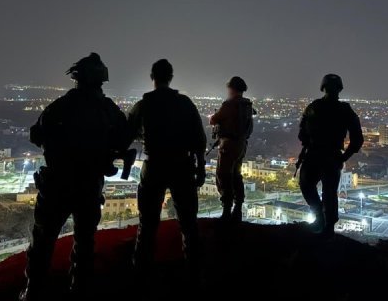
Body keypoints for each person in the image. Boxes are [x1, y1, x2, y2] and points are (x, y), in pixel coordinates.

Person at [21, 54, 130, 300]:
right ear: (101, 80)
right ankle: (80, 288)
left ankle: (33, 290)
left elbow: (36, 135)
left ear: (77, 78)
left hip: (57, 184)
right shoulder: (108, 109)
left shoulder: (61, 106)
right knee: (85, 243)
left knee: (43, 241)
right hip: (88, 186)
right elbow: (123, 139)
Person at [128, 59, 207, 272]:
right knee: (189, 223)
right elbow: (199, 139)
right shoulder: (185, 103)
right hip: (182, 166)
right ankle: (194, 272)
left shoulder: (143, 105)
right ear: (171, 77)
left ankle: (141, 272)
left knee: (147, 224)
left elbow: (126, 134)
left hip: (154, 166)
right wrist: (200, 168)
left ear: (152, 77)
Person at [297, 74, 364, 238]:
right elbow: (303, 132)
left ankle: (325, 224)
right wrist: (344, 157)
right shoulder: (338, 109)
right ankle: (323, 221)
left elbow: (357, 139)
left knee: (324, 191)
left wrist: (343, 157)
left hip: (325, 155)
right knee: (318, 189)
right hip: (322, 155)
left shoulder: (317, 107)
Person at [210, 76, 254, 223]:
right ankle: (237, 209)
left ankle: (226, 211)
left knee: (224, 176)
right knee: (236, 175)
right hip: (241, 145)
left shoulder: (229, 105)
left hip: (228, 145)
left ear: (232, 89)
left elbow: (213, 119)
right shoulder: (247, 105)